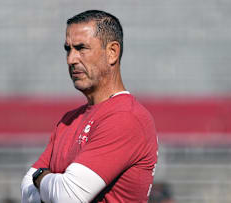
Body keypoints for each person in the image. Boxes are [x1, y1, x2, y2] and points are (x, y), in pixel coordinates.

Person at [21, 10, 158, 203]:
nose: (71, 59)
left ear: (112, 52)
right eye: (68, 49)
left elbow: (67, 197)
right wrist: (50, 184)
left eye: (81, 48)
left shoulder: (126, 117)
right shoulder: (68, 120)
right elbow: (26, 189)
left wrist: (41, 177)